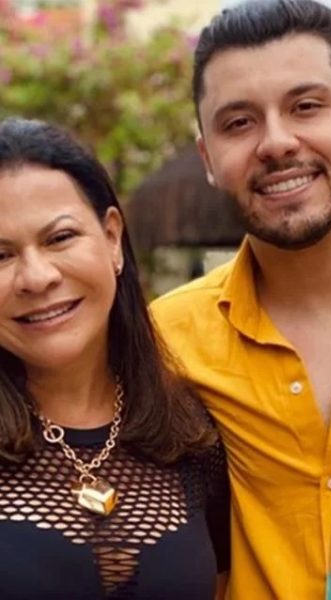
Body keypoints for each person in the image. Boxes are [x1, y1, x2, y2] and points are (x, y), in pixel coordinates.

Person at [151, 0, 331, 598]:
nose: (277, 142)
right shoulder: (169, 340)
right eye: (239, 123)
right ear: (208, 159)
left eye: (306, 106)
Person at [0, 117, 229, 600]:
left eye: (60, 238)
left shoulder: (192, 435)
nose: (37, 277)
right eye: (1, 256)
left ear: (111, 238)